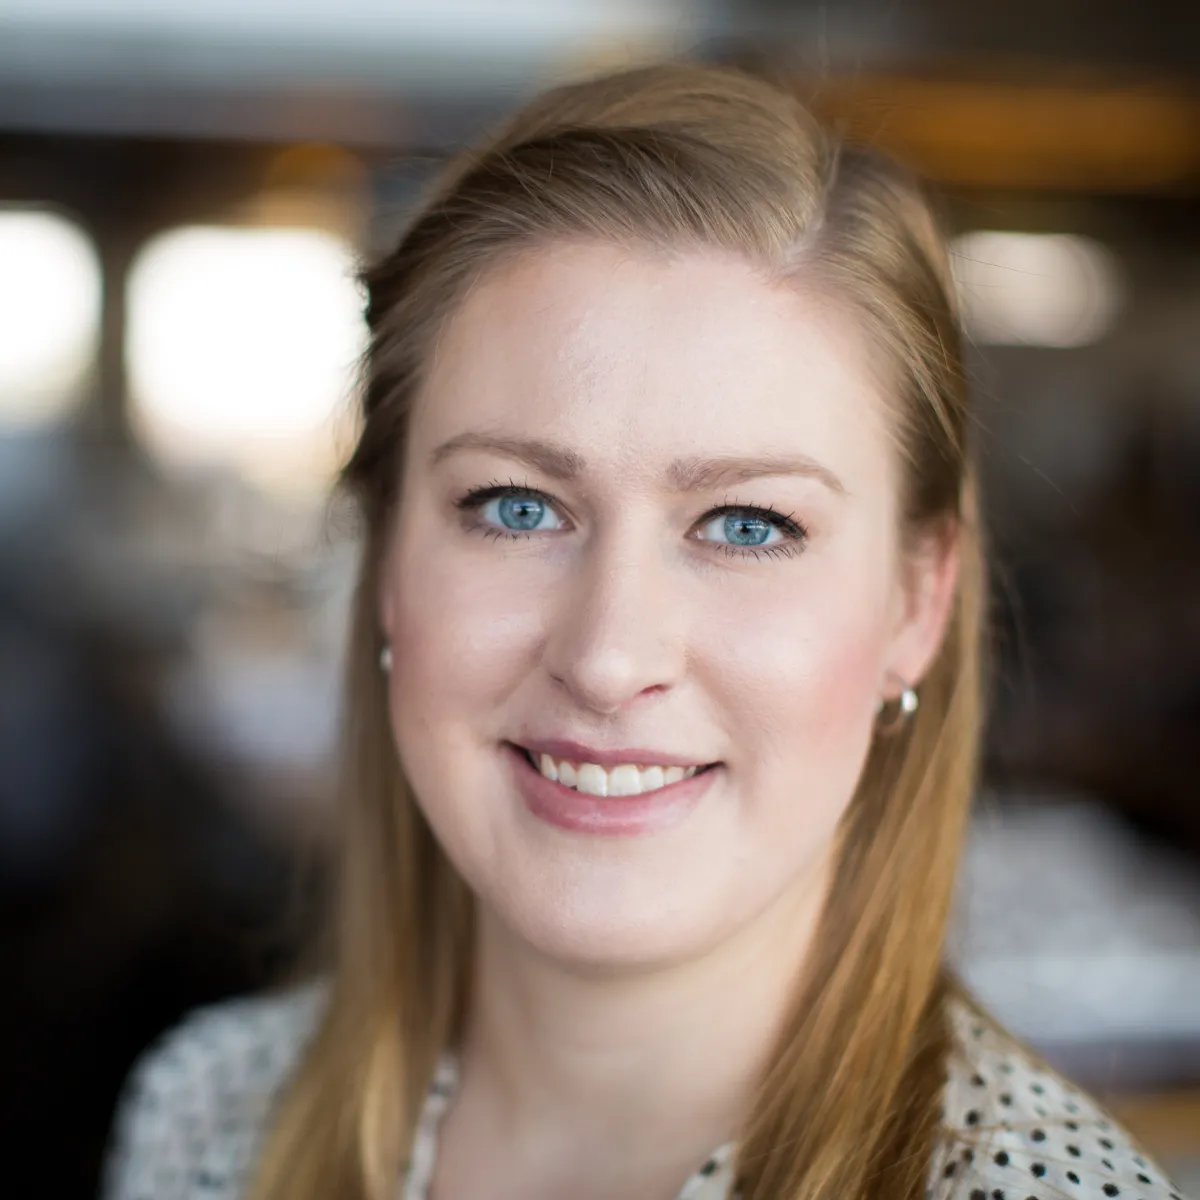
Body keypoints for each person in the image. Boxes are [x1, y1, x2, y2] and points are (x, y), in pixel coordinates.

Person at [102, 62, 1187, 1200]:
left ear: (916, 605)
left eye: (750, 525)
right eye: (515, 507)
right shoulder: (208, 1112)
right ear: (383, 566)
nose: (610, 657)